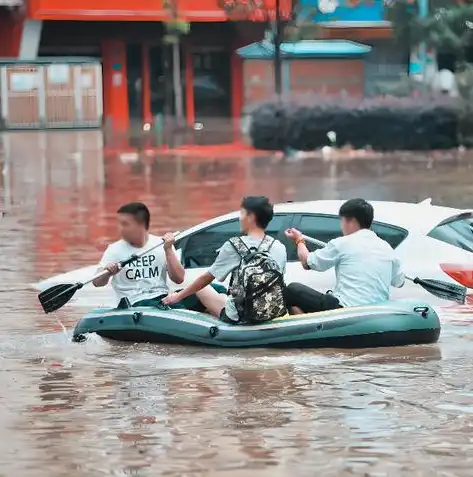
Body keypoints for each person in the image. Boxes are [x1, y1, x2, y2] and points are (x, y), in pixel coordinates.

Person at [163, 196, 287, 323]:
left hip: (241, 315)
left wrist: (178, 296)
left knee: (201, 288)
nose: (240, 218)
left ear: (251, 217)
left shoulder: (234, 245)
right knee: (223, 296)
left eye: (242, 213)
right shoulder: (280, 247)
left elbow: (206, 279)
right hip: (271, 312)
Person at [284, 198, 405, 314]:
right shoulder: (387, 248)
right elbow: (399, 282)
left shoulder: (342, 243)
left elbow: (307, 262)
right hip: (377, 311)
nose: (341, 226)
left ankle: (307, 334)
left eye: (341, 221)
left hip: (345, 310)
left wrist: (299, 240)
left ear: (350, 221)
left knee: (292, 290)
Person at [93, 202, 185, 308]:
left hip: (162, 299)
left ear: (141, 225)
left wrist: (168, 250)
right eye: (120, 224)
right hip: (133, 302)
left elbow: (179, 279)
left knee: (200, 292)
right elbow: (96, 282)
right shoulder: (114, 250)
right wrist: (108, 273)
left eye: (125, 224)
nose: (120, 229)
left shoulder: (161, 244)